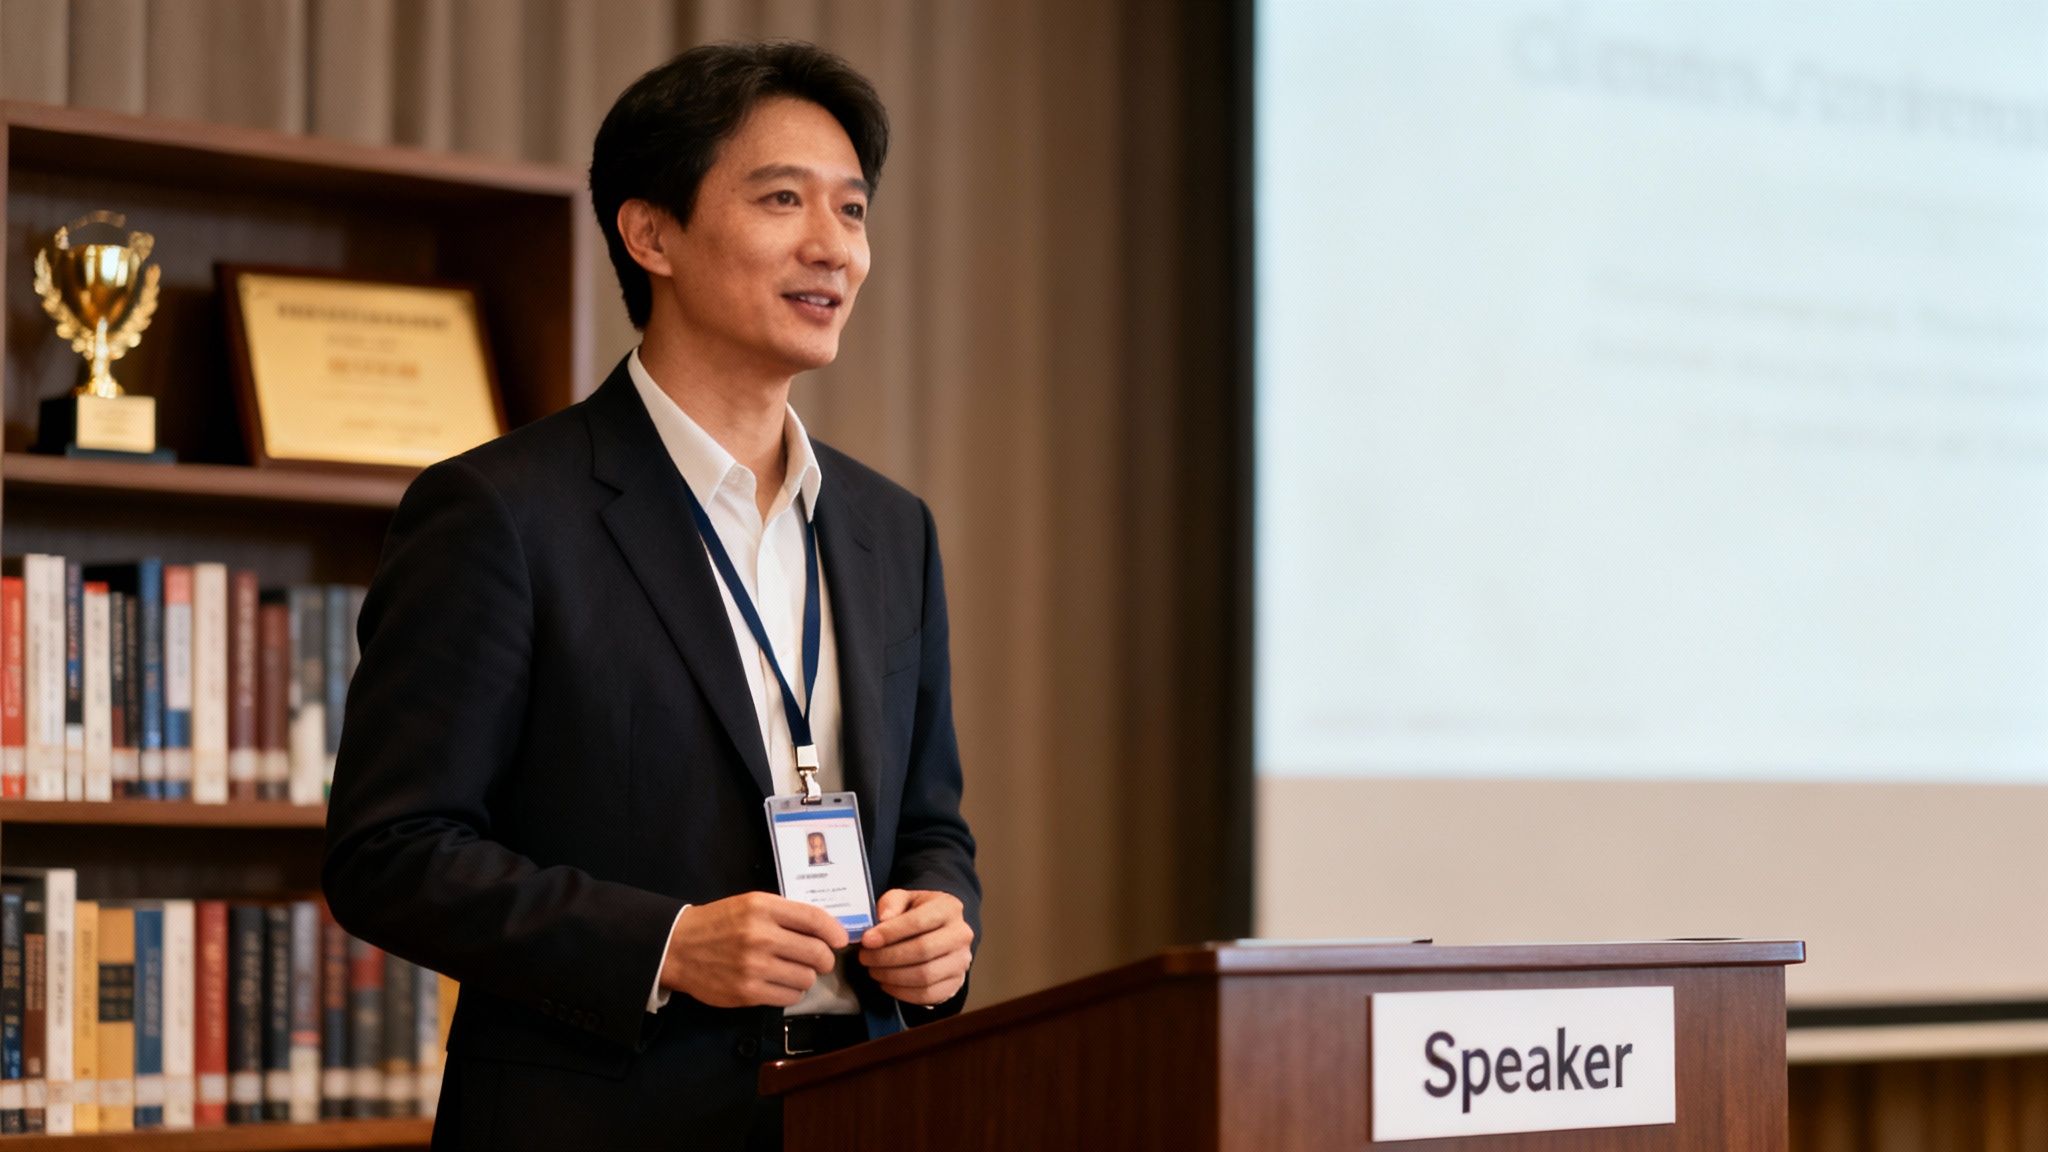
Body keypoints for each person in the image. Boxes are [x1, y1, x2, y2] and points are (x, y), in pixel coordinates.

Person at [322, 41, 980, 1152]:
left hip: (860, 1104)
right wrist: (666, 945)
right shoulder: (500, 510)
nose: (834, 248)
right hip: (601, 1118)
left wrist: (938, 920)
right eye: (782, 199)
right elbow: (390, 853)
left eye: (853, 211)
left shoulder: (887, 529)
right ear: (651, 233)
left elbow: (927, 825)